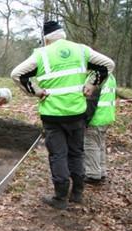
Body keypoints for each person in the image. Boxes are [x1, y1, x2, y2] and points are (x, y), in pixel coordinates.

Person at [10, 21, 115, 209]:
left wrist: (36, 91)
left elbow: (17, 74)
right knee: (76, 153)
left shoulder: (41, 54)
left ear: (46, 39)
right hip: (77, 113)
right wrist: (92, 83)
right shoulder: (81, 50)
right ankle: (77, 193)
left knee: (58, 155)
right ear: (63, 35)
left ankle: (60, 197)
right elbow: (108, 64)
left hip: (52, 115)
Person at [84, 73, 117, 185]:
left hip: (96, 118)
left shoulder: (96, 77)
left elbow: (91, 101)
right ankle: (101, 171)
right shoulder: (110, 76)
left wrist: (85, 121)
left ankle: (93, 175)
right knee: (100, 145)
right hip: (106, 117)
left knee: (91, 145)